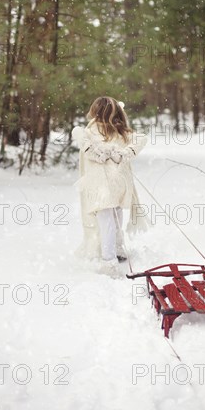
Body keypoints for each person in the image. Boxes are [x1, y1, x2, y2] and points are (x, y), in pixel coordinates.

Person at [72, 96, 148, 277]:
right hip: (118, 183)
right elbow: (141, 138)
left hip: (103, 185)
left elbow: (82, 141)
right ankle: (117, 247)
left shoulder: (90, 131)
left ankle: (109, 261)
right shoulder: (120, 131)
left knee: (106, 218)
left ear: (95, 112)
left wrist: (120, 154)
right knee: (115, 215)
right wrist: (122, 152)